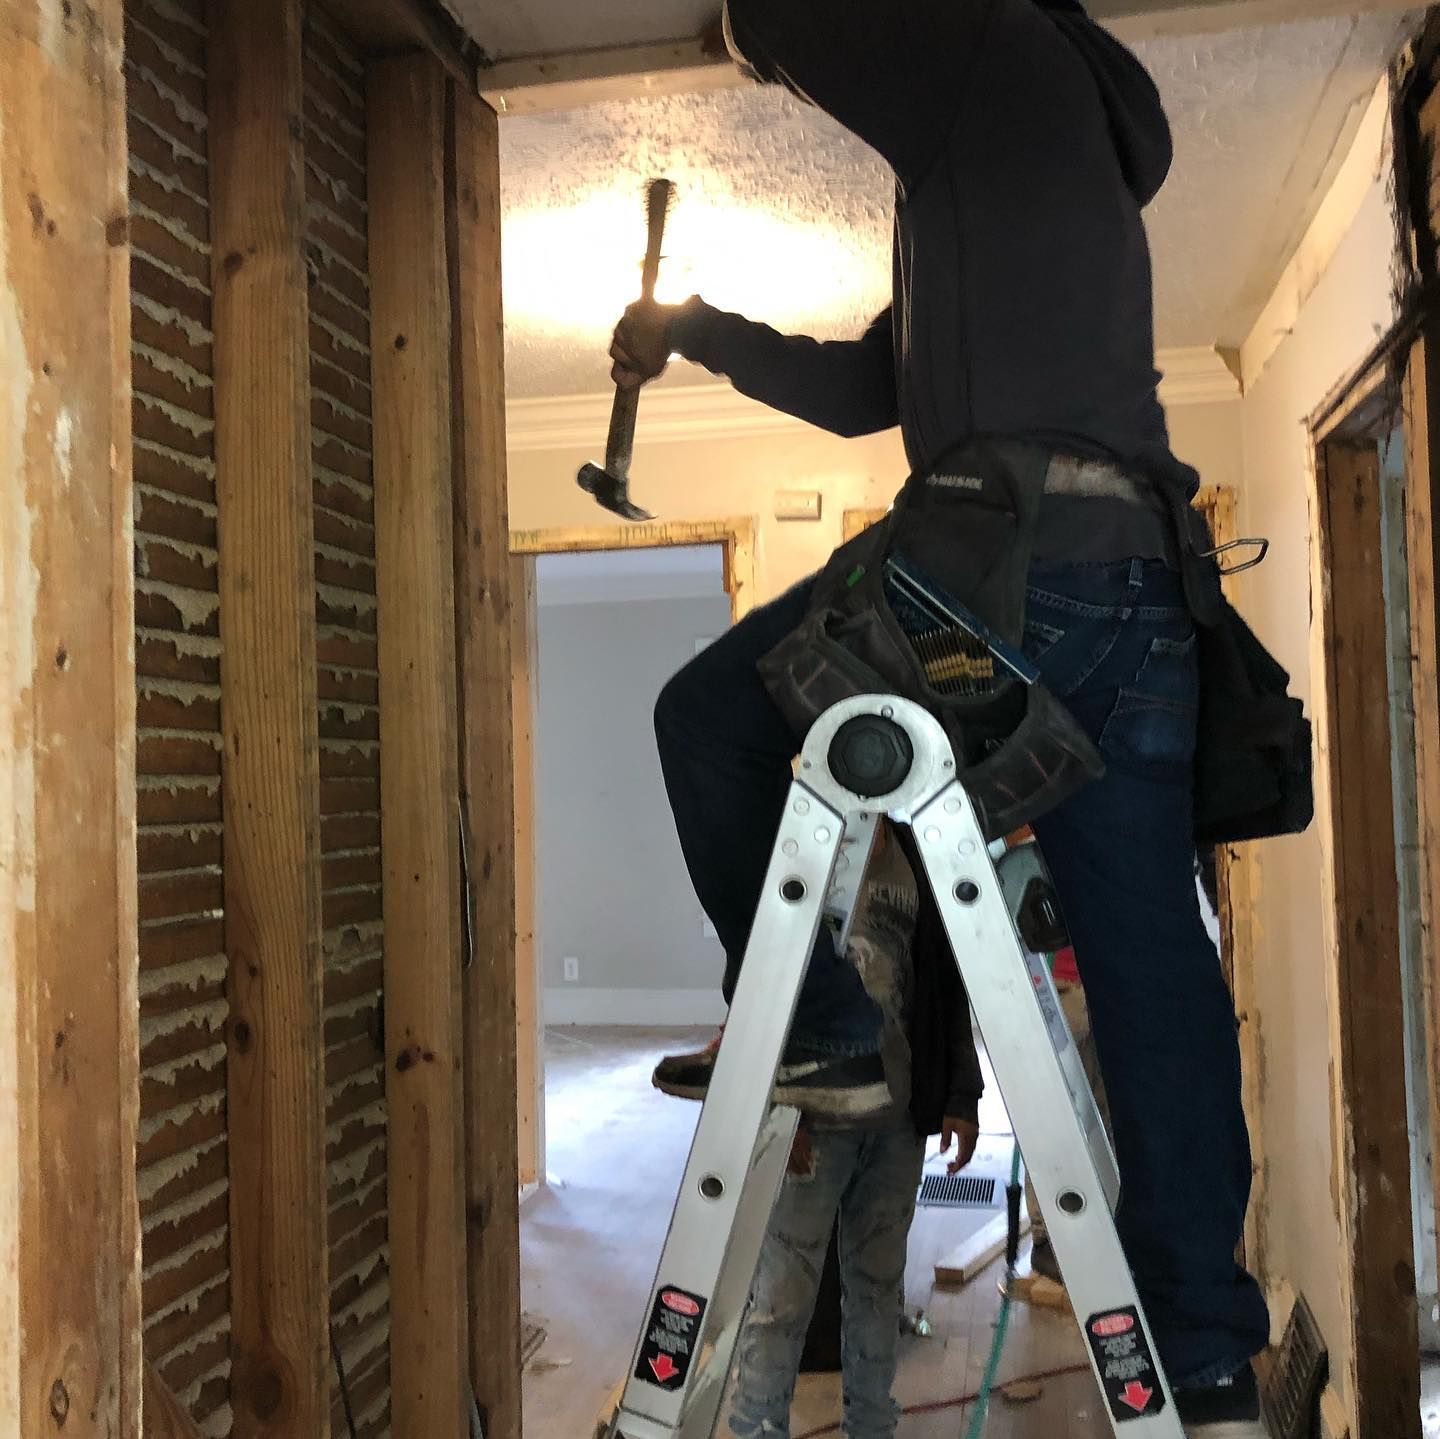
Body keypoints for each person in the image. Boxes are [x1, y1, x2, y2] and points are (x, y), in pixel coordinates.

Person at [609, 2, 1271, 1433]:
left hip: (1004, 560)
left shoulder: (990, 50)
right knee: (1156, 960)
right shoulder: (1043, 171)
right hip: (1142, 592)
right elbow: (867, 391)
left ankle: (831, 1029)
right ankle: (1211, 1360)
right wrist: (700, 328)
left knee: (709, 720)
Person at [723, 822, 981, 1439]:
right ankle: (758, 1425)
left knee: (877, 1290)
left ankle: (872, 1427)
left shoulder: (917, 842)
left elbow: (945, 977)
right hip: (816, 1111)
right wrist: (778, 1104)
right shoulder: (803, 830)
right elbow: (760, 967)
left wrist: (960, 1094)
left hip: (899, 1113)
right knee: (783, 1290)